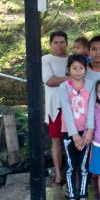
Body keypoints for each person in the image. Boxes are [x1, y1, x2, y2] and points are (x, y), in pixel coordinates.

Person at [58, 54, 97, 200]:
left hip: (86, 132)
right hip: (69, 132)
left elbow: (91, 108)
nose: (78, 71)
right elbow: (66, 111)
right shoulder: (63, 86)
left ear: (86, 69)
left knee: (83, 166)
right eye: (74, 68)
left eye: (81, 68)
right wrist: (74, 135)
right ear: (68, 69)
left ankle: (83, 197)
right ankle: (71, 198)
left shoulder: (91, 84)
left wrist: (89, 131)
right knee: (70, 166)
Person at [42, 31, 68, 186]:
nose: (59, 45)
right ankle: (58, 176)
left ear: (67, 43)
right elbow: (50, 81)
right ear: (50, 44)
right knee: (57, 141)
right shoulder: (46, 59)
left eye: (62, 42)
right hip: (55, 107)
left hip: (73, 105)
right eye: (56, 42)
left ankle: (76, 174)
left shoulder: (72, 59)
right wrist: (72, 77)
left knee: (75, 140)